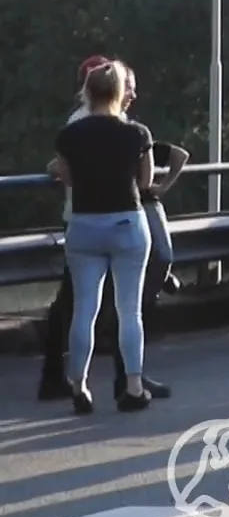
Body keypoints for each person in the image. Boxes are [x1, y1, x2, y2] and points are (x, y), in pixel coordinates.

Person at [53, 61, 155, 413]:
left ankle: (79, 385)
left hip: (84, 224)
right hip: (127, 222)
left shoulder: (69, 135)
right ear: (119, 93)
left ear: (87, 92)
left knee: (85, 310)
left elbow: (66, 177)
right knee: (130, 311)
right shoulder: (137, 134)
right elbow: (144, 182)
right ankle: (134, 386)